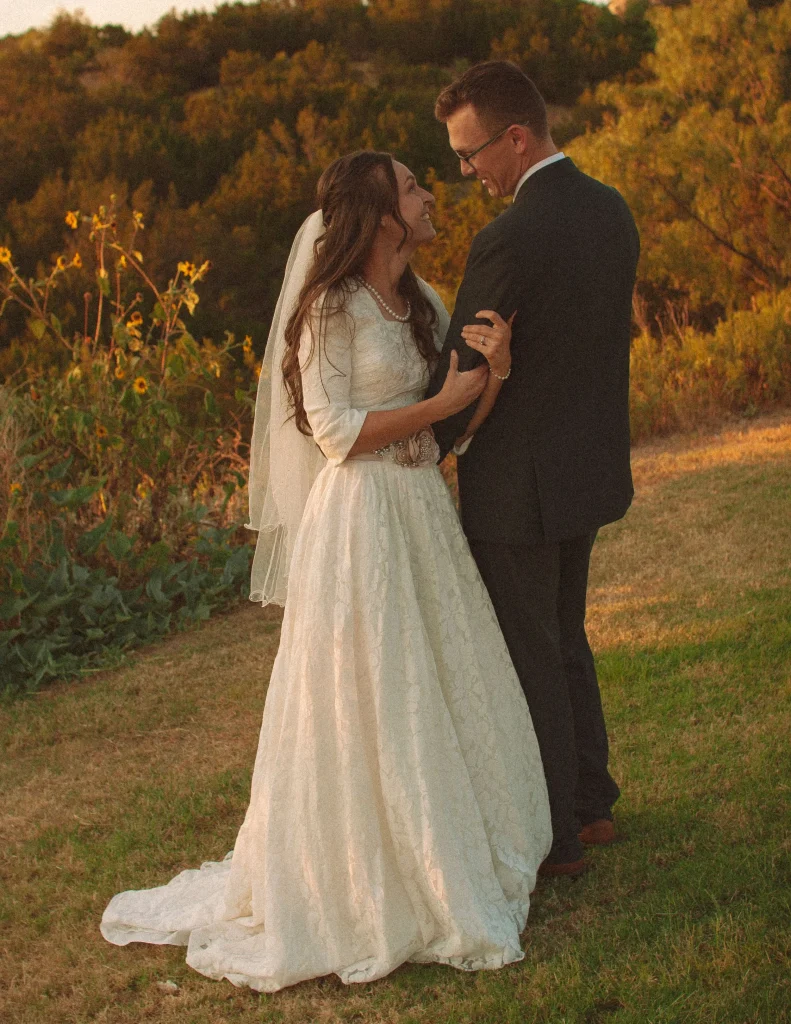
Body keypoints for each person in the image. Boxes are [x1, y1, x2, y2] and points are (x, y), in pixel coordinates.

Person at [100, 150, 552, 992]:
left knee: (439, 681)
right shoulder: (329, 308)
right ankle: (360, 876)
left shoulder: (423, 300)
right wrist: (444, 402)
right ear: (381, 214)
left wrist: (492, 379)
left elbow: (447, 436)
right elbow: (335, 432)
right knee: (372, 692)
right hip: (361, 522)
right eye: (413, 187)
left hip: (421, 512)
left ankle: (455, 846)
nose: (426, 196)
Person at [428, 61, 640, 876]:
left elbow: (463, 366)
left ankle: (553, 833)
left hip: (517, 483)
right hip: (587, 467)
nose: (467, 171)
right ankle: (591, 808)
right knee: (566, 642)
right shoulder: (609, 208)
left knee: (531, 653)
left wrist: (418, 448)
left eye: (470, 152)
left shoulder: (511, 235)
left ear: (515, 138)